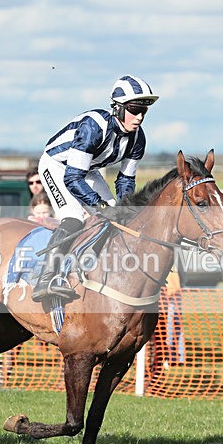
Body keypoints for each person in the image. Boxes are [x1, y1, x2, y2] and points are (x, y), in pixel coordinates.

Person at [32, 75, 159, 303]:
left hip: (88, 170)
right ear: (118, 108)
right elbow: (72, 177)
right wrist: (99, 206)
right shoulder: (93, 127)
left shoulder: (138, 138)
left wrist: (124, 208)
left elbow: (125, 181)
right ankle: (46, 278)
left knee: (117, 218)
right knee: (73, 219)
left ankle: (94, 270)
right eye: (134, 109)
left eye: (144, 111)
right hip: (58, 166)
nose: (139, 117)